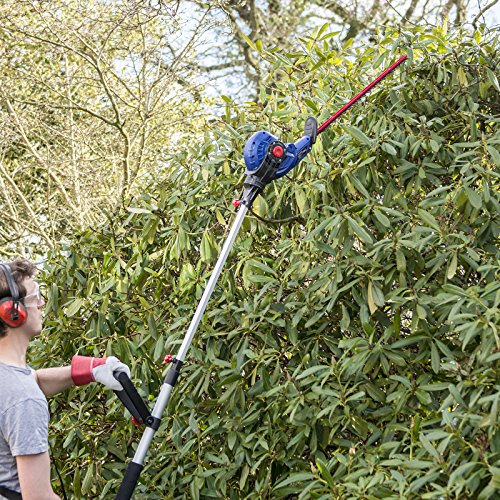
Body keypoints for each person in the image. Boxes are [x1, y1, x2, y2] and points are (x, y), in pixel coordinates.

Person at [0, 259, 130, 500]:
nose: (41, 303)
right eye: (35, 297)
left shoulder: (10, 378)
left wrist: (90, 369)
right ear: (12, 312)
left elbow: (33, 380)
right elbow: (38, 497)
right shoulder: (23, 399)